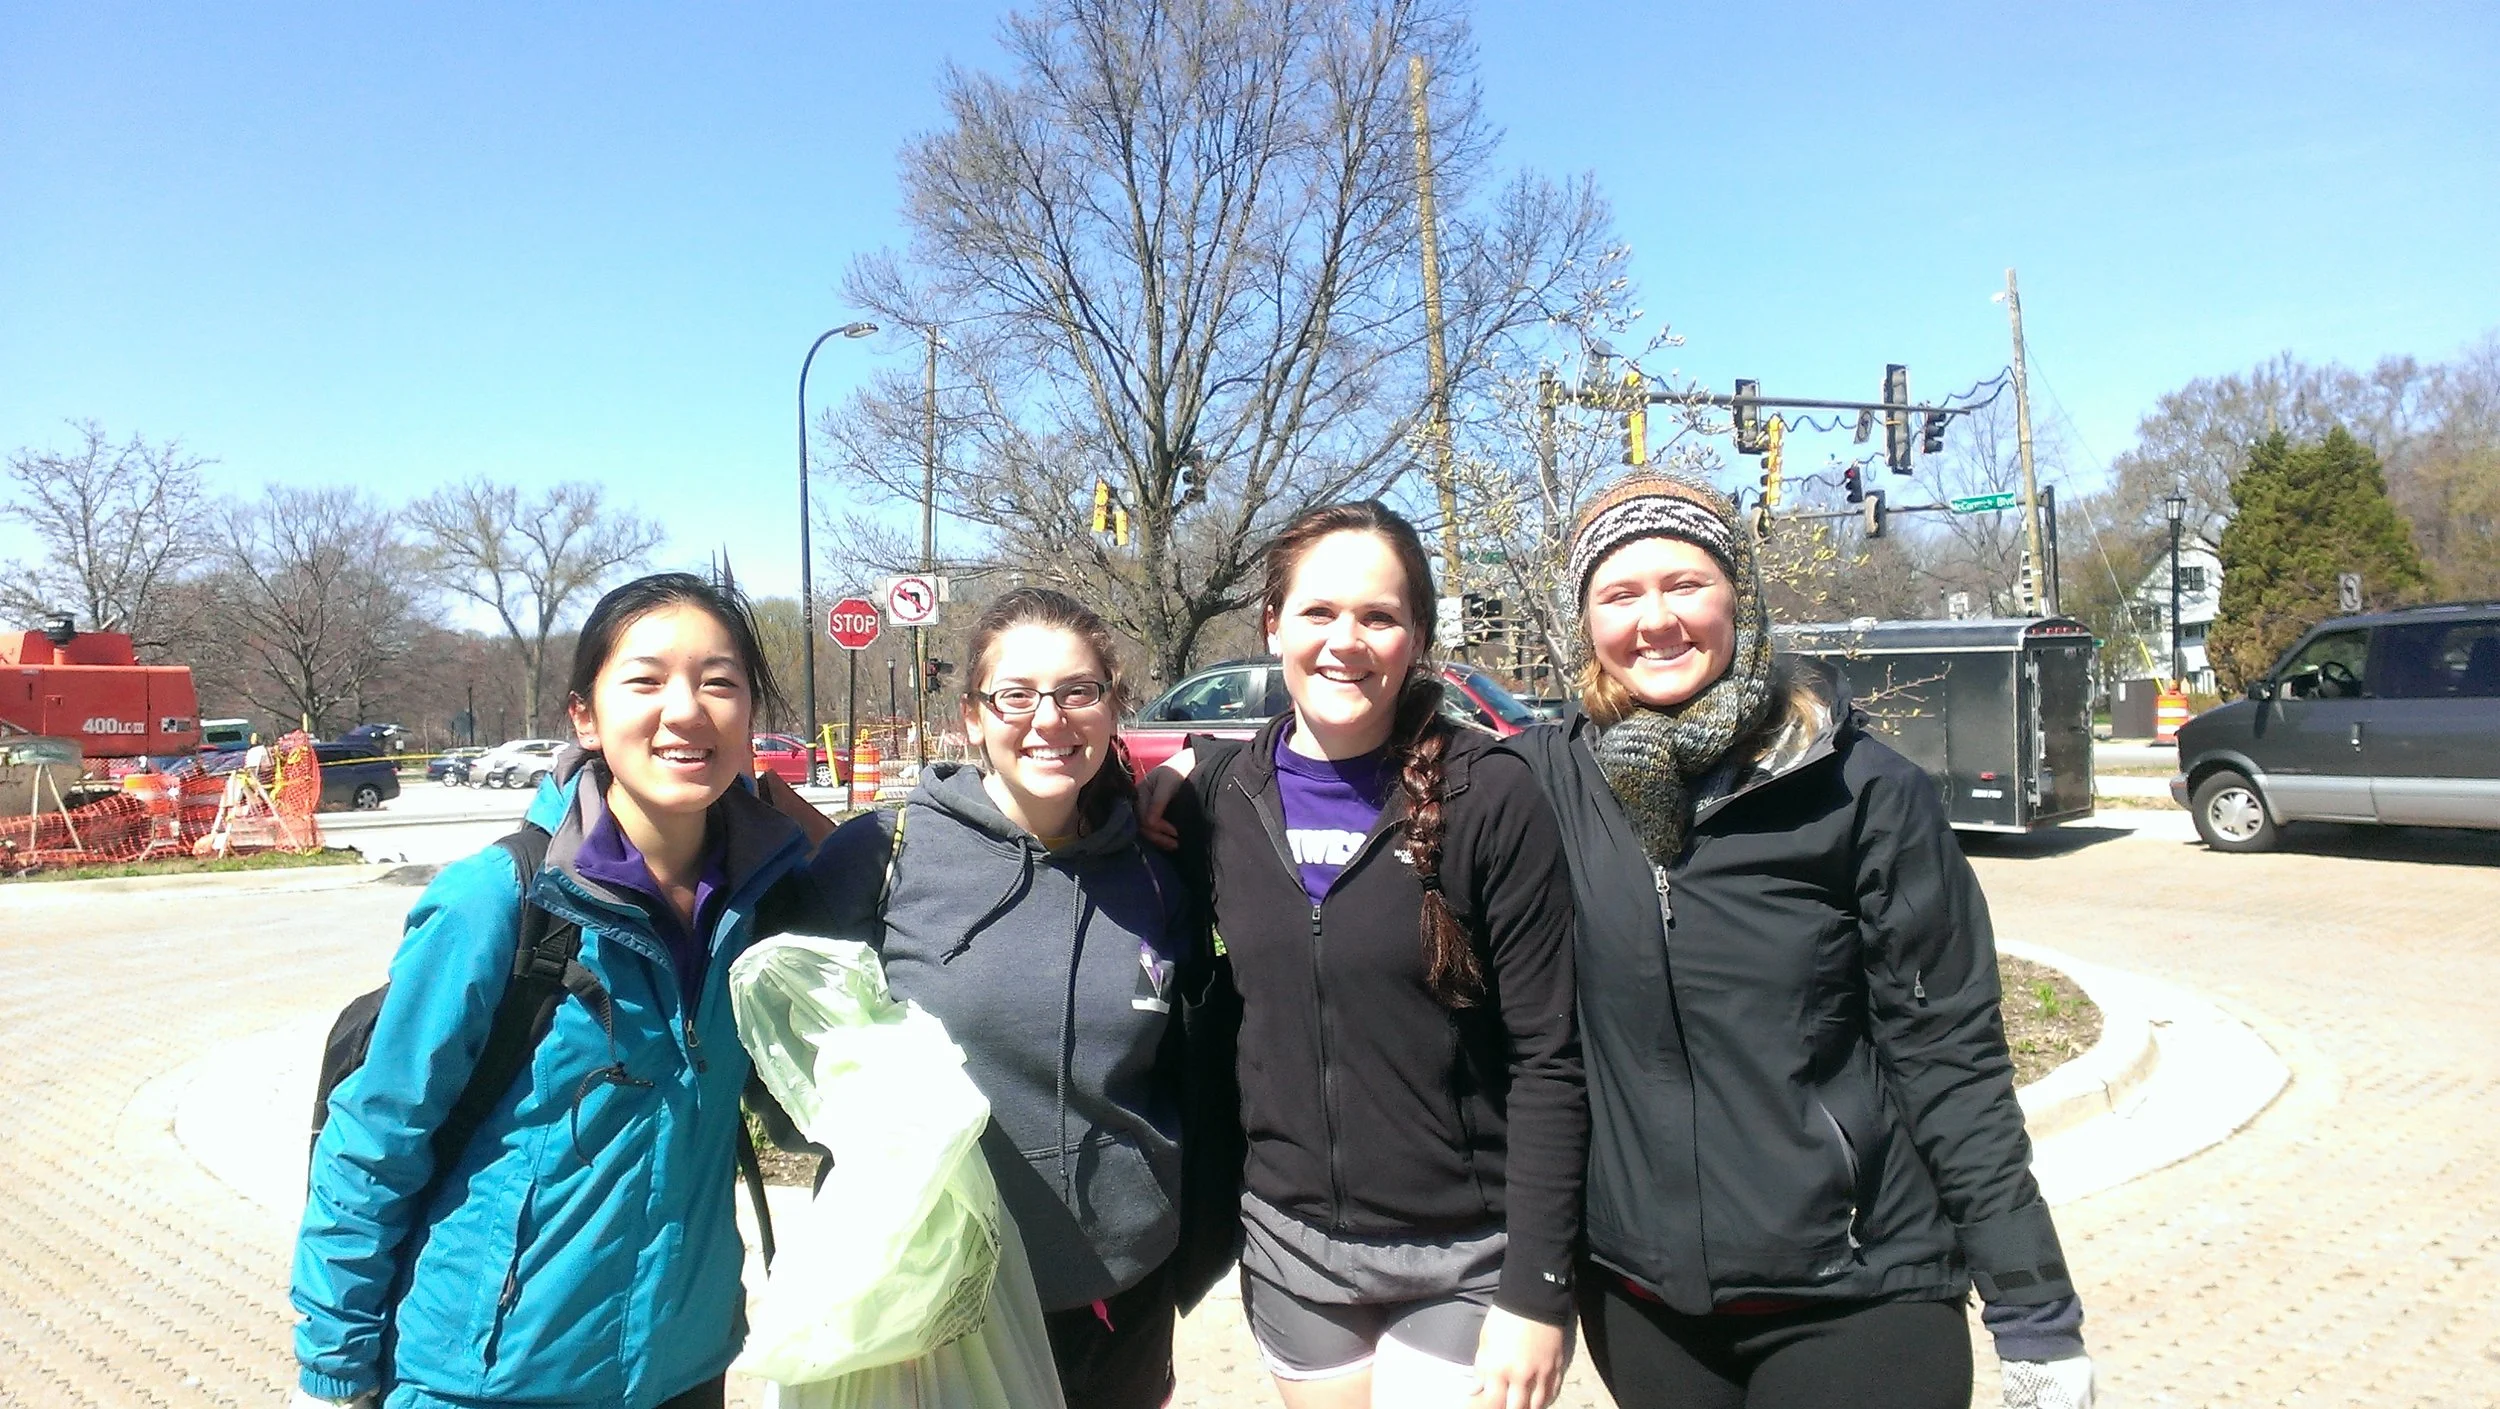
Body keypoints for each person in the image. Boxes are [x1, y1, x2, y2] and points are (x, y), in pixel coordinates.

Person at [1499, 474, 2095, 1409]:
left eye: (1685, 583)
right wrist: (1193, 794)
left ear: (1742, 594)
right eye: (1619, 593)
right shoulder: (1544, 782)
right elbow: (1376, 785)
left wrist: (2033, 1307)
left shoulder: (1862, 790)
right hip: (1645, 1301)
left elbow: (1950, 1056)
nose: (1655, 619)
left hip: (1857, 1293)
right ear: (1586, 622)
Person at [291, 572, 818, 1409]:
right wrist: (333, 1368)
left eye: (719, 681)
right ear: (585, 716)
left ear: (751, 713)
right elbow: (373, 1141)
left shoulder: (765, 905)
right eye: (645, 680)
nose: (685, 709)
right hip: (488, 1380)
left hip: (682, 1368)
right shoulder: (499, 899)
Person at [1149, 500, 1586, 1409]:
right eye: (1318, 612)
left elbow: (1552, 1056)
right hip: (1292, 1248)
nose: (1347, 640)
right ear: (1273, 625)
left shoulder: (1489, 796)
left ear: (1417, 636)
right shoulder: (1225, 795)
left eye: (1380, 616)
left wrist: (1539, 1286)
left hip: (1465, 1253)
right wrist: (1158, 772)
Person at [785, 586, 1229, 1409]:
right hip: (940, 1310)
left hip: (1119, 1295)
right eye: (1016, 695)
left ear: (1111, 706)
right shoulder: (882, 855)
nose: (1048, 719)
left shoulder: (1154, 872)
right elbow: (788, 1069)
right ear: (973, 715)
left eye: (1077, 691)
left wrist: (1194, 759)